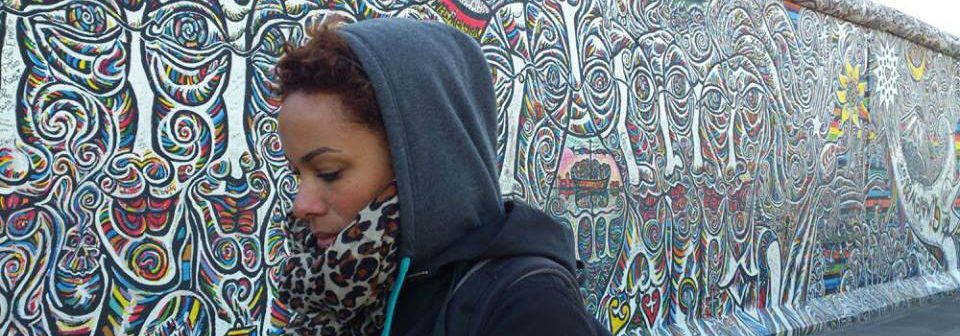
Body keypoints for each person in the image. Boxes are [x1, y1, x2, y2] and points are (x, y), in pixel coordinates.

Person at [274, 16, 610, 336]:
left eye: (329, 173)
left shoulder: (527, 309)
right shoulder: (344, 295)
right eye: (297, 174)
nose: (301, 205)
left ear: (423, 162)